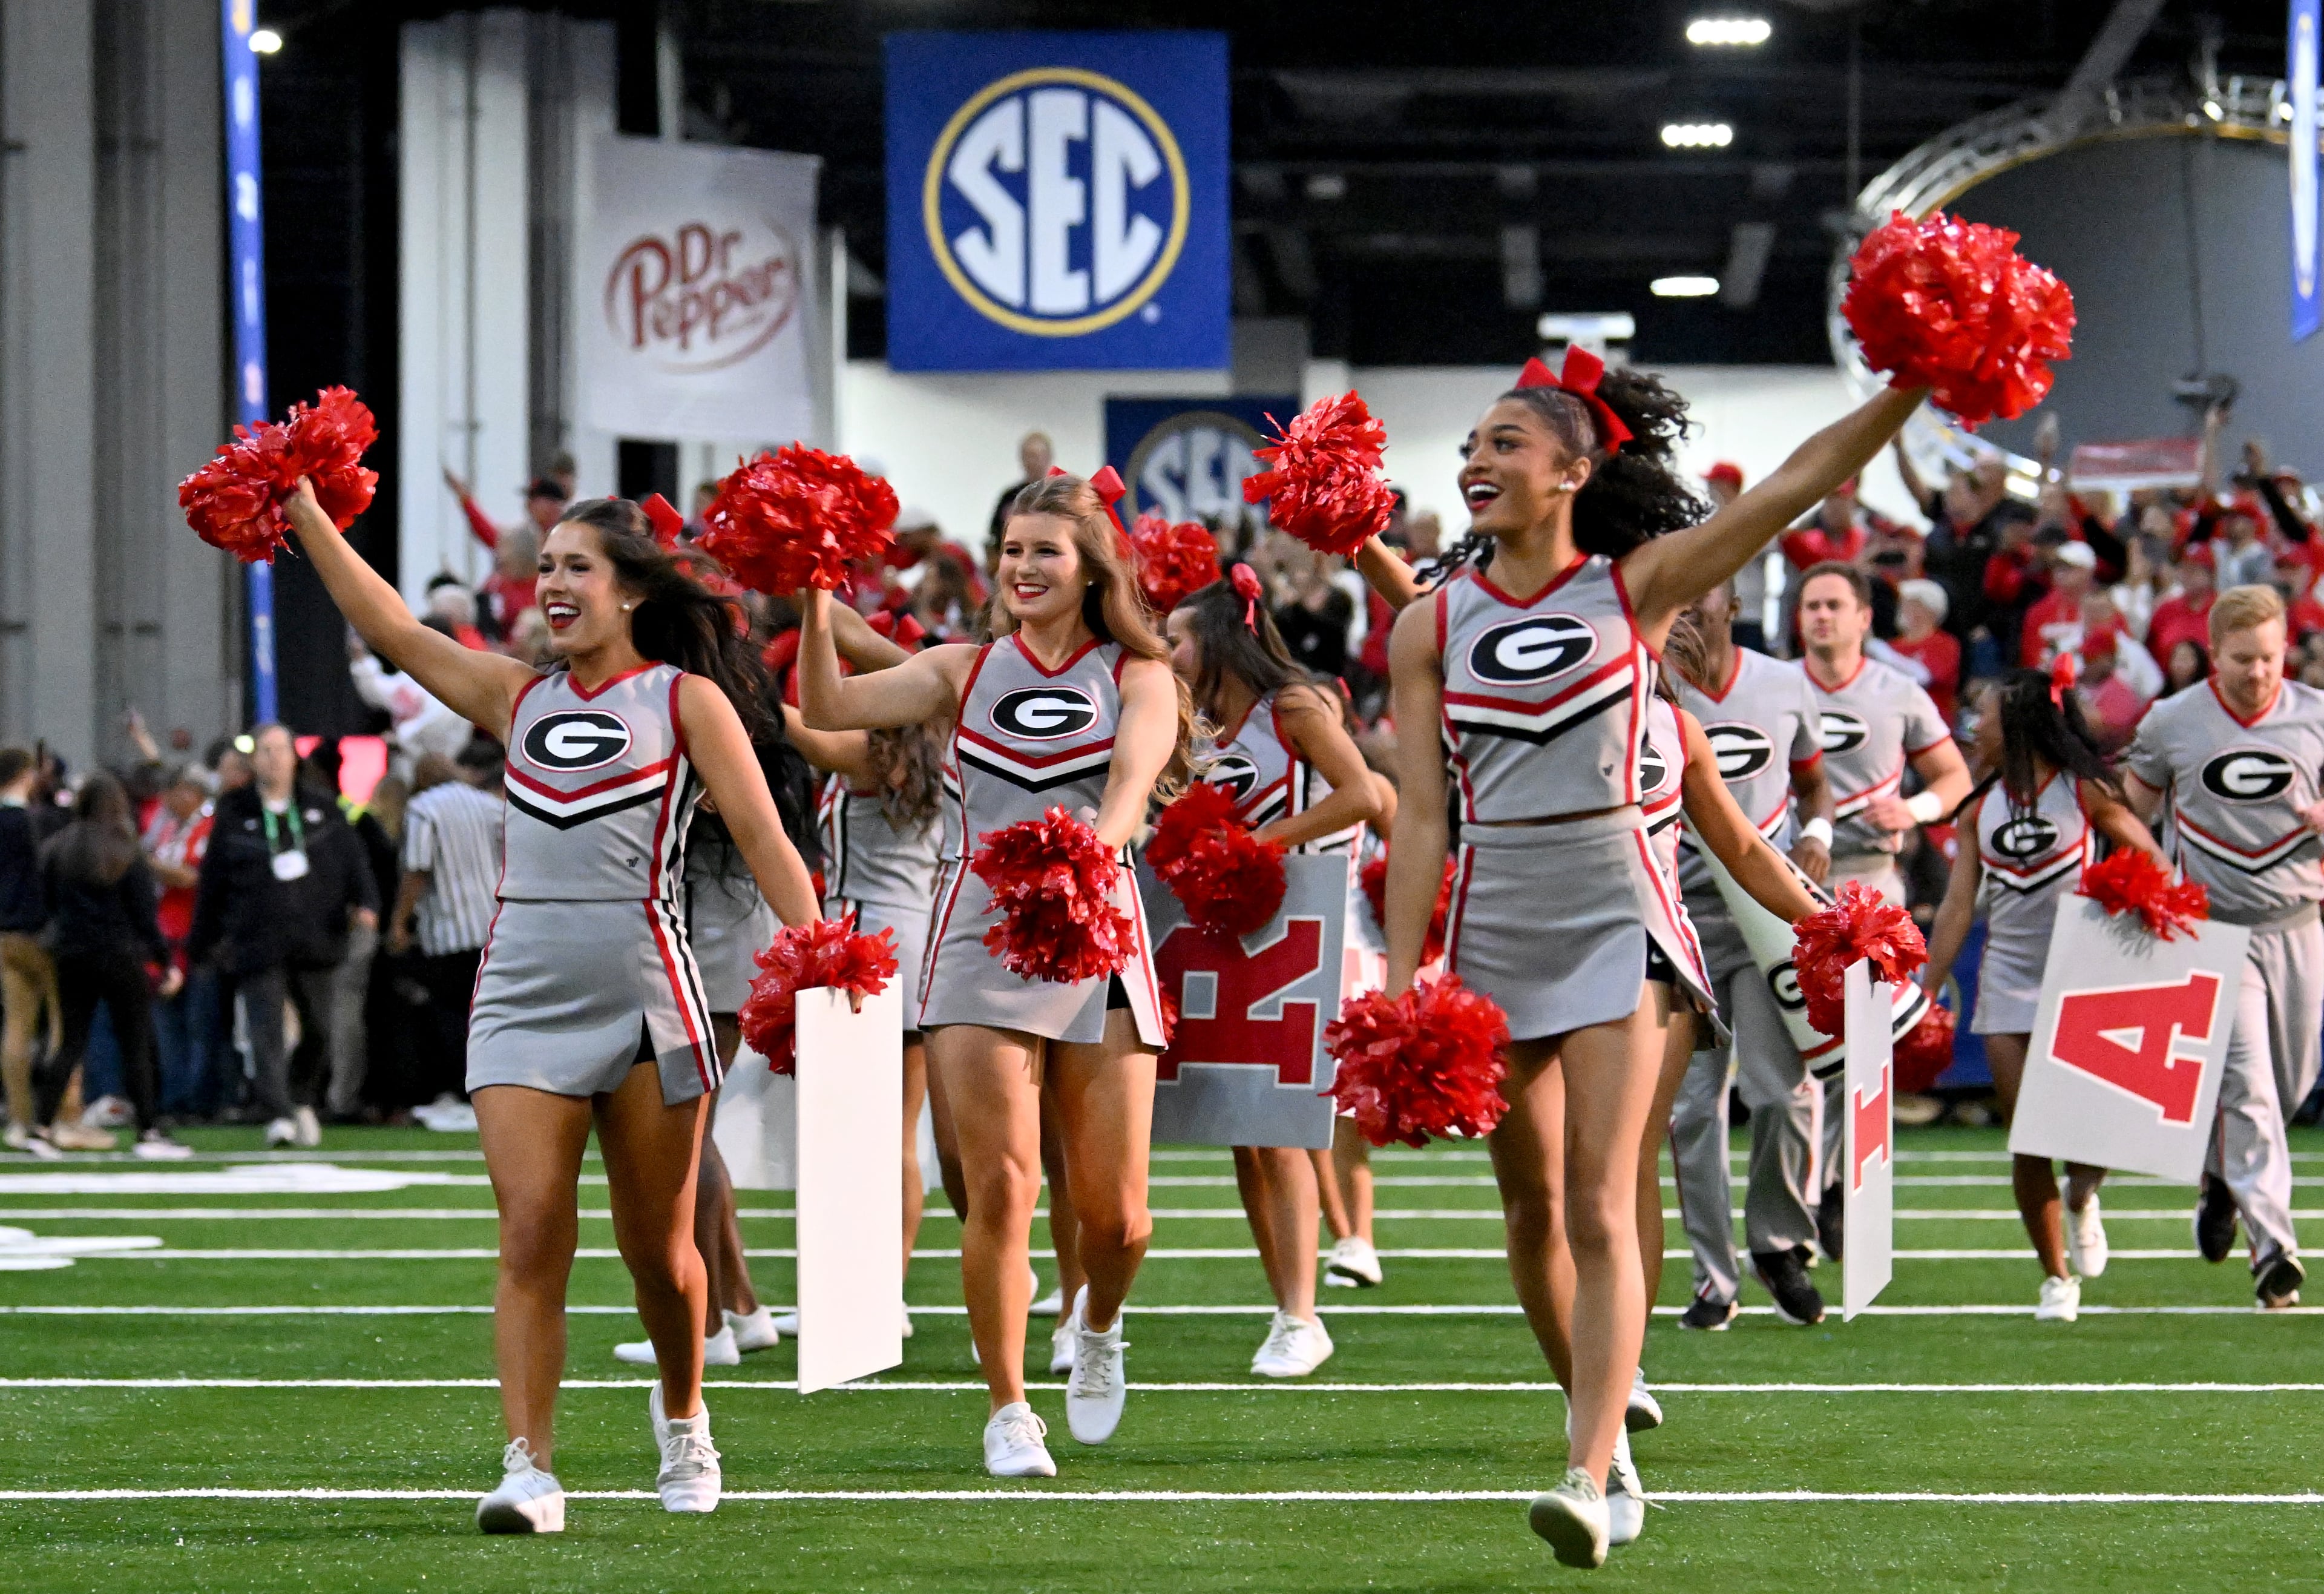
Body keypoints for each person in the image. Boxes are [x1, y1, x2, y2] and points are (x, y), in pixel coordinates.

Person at [1377, 351, 1925, 1566]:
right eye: (1471, 441)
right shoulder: (1430, 623)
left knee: (1598, 1190)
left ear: (1575, 470)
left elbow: (1787, 488)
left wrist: (1911, 389)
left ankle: (1579, 1472)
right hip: (1491, 921)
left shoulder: (1636, 590)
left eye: (1507, 442)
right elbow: (1421, 812)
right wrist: (1403, 965)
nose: (1478, 458)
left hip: (1623, 915)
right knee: (1526, 1210)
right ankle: (1604, 1420)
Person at [278, 478, 820, 1531]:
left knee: (660, 1249)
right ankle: (528, 1465)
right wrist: (304, 509)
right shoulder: (514, 696)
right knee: (531, 1229)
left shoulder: (685, 700)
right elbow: (389, 625)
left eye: (579, 567)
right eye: (547, 568)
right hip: (521, 990)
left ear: (629, 595)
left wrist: (823, 958)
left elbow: (763, 839)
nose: (554, 584)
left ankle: (684, 1414)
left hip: (649, 991)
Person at [797, 471, 1184, 1480]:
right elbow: (829, 700)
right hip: (978, 931)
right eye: (1011, 549)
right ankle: (1009, 1407)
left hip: (1094, 919)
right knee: (1001, 1189)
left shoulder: (1140, 674)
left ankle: (1096, 1320)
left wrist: (1086, 867)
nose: (1023, 566)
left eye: (1045, 550)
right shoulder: (963, 667)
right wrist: (811, 592)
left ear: (1091, 566)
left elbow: (1133, 790)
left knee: (1117, 1215)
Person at [1163, 570, 1386, 1377]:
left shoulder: (1293, 709)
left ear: (1220, 640)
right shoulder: (1194, 728)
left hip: (1299, 934)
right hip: (1229, 935)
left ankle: (1302, 1315)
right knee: (1245, 1139)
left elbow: (1366, 793)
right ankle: (1285, 1303)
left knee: (1280, 1129)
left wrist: (1264, 843)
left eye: (1178, 636)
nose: (1167, 650)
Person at [1923, 668, 2169, 1322]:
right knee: (2027, 1135)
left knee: (2090, 1130)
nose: (1974, 727)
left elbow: (2151, 859)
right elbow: (1954, 907)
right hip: (2007, 972)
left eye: (1985, 717)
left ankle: (2085, 1194)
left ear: (2021, 727)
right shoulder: (1980, 807)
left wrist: (2152, 907)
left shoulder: (2083, 792)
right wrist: (1923, 986)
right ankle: (2056, 1277)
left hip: (2083, 975)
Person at [2122, 585, 2324, 1310]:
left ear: (2286, 651)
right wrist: (2155, 883)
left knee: (2294, 1084)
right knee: (2250, 1089)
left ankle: (2219, 1178)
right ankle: (2275, 1250)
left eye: (2270, 658)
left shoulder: (2316, 717)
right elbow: (2128, 814)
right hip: (2212, 926)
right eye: (2243, 660)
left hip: (2299, 923)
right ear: (2214, 655)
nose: (2259, 673)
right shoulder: (2173, 720)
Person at [1662, 583, 1837, 1331]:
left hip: (1767, 913)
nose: (1692, 607)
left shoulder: (1784, 681)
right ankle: (1713, 1276)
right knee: (1691, 1107)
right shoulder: (1650, 685)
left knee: (1782, 1090)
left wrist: (1819, 836)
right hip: (1684, 915)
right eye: (1682, 594)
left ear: (1733, 601)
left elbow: (1814, 779)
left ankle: (1777, 1240)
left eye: (1706, 593)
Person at [1792, 561, 1971, 1255]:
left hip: (1871, 882)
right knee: (1799, 1059)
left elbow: (1953, 774)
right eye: (1811, 604)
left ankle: (1843, 1193)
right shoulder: (1776, 686)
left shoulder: (1898, 690)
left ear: (1865, 616)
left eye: (1835, 603)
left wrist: (1918, 806)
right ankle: (1804, 1201)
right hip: (1787, 884)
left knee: (1865, 1055)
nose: (1822, 616)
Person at [783, 696, 949, 1345]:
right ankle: (884, 1292)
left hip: (860, 954)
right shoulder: (939, 756)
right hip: (912, 947)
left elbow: (803, 728)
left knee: (847, 1140)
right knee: (899, 1137)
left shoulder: (875, 756)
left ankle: (857, 1295)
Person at [188, 724, 378, 1150]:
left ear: (295, 757)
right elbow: (212, 880)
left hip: (316, 935)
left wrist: (366, 903)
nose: (271, 758)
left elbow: (353, 860)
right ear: (253, 760)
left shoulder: (322, 808)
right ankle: (277, 1112)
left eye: (279, 750)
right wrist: (202, 941)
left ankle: (301, 1096)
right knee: (265, 1030)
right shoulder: (235, 811)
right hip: (256, 935)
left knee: (321, 1029)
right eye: (263, 751)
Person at [38, 774, 186, 1159]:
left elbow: (48, 903)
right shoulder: (126, 851)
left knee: (70, 1042)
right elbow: (143, 914)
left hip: (72, 954)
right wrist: (164, 960)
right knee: (136, 1043)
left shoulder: (58, 848)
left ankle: (40, 1127)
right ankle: (148, 1131)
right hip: (120, 954)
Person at [389, 751, 503, 1112]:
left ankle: (458, 1090)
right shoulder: (488, 805)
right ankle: (490, 1088)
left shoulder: (424, 808)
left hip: (448, 931)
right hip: (492, 929)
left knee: (449, 1015)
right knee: (486, 1017)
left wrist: (398, 922)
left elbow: (417, 870)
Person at [1, 748, 73, 1155]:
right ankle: (59, 1115)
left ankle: (18, 1119)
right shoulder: (35, 821)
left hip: (4, 933)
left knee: (16, 1028)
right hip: (41, 932)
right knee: (64, 1022)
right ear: (26, 775)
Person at [144, 765, 221, 1121]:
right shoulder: (172, 829)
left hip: (196, 939)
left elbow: (196, 879)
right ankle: (174, 1099)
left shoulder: (209, 828)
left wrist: (151, 867)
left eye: (174, 791)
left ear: (192, 793)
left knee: (199, 1024)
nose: (167, 800)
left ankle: (201, 1099)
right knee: (168, 1025)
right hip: (166, 938)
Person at [1891, 578, 1961, 724]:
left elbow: (1926, 677)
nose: (1903, 609)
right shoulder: (1891, 646)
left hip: (1932, 724)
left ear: (1929, 609)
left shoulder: (1945, 644)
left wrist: (1882, 653)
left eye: (1912, 604)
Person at [985, 430, 1056, 558]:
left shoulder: (1059, 496)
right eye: (1027, 456)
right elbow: (994, 535)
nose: (1031, 462)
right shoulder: (1009, 497)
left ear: (1048, 458)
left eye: (1036, 456)